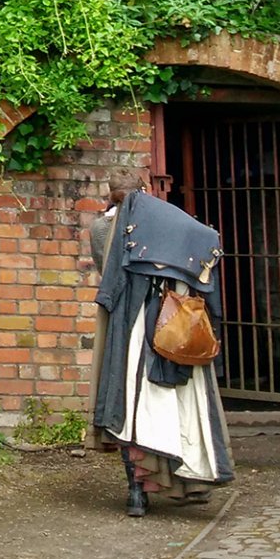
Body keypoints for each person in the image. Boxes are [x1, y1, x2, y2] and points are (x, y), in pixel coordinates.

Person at [88, 169, 234, 517]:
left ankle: (136, 493)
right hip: (175, 326)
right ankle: (186, 479)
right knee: (179, 405)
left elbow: (106, 270)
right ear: (148, 190)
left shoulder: (100, 229)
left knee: (130, 408)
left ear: (111, 195)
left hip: (130, 329)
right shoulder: (180, 227)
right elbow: (207, 258)